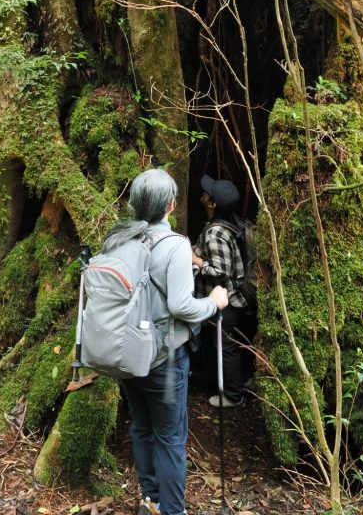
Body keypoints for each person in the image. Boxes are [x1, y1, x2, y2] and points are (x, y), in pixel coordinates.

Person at [105, 168, 229, 515]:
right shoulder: (174, 245)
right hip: (163, 358)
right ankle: (173, 511)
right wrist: (214, 302)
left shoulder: (118, 240)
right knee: (171, 438)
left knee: (142, 427)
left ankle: (152, 499)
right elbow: (181, 306)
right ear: (171, 206)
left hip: (126, 353)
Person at [193, 174, 258, 408]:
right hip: (235, 299)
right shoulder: (231, 223)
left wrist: (195, 260)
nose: (202, 194)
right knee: (232, 343)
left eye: (206, 193)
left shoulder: (215, 233)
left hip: (226, 302)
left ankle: (233, 395)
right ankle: (241, 381)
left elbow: (220, 270)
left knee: (226, 347)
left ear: (212, 204)